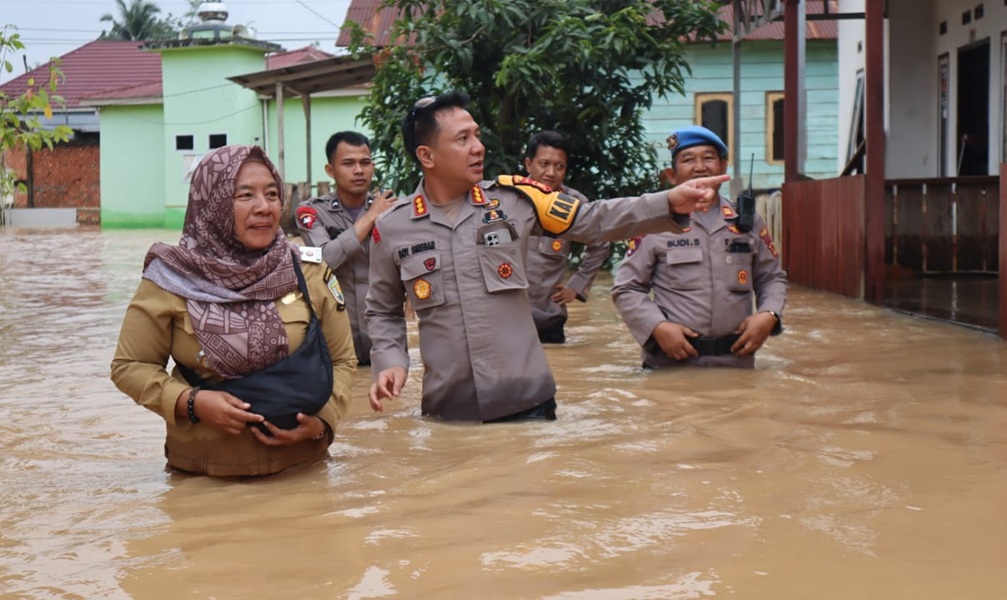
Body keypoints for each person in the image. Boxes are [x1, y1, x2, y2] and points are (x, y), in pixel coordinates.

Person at [365, 91, 729, 423]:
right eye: (463, 139)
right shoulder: (393, 228)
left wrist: (668, 201)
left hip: (529, 405)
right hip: (449, 412)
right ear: (426, 156)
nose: (478, 147)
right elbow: (382, 310)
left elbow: (593, 220)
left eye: (476, 135)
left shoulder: (517, 201)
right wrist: (390, 362)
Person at [111, 145, 357, 477]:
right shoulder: (170, 279)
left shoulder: (308, 271)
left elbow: (343, 360)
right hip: (204, 479)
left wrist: (322, 422)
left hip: (302, 474)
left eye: (272, 194)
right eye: (245, 196)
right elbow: (130, 366)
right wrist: (191, 403)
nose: (264, 207)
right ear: (212, 203)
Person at [611, 125, 788, 369]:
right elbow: (627, 288)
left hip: (736, 365)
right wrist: (657, 327)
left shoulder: (746, 222)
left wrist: (769, 315)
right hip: (670, 366)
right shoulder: (654, 222)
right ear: (671, 175)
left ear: (723, 167)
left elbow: (772, 278)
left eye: (708, 158)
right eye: (688, 160)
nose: (700, 167)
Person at [295, 131, 396, 366]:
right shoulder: (311, 212)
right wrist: (371, 217)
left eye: (365, 162)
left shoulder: (392, 210)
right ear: (330, 170)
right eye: (349, 163)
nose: (359, 170)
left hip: (384, 342)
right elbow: (325, 260)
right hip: (337, 347)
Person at [522, 131, 610, 344]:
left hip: (548, 319)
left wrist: (577, 285)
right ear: (528, 164)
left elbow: (601, 242)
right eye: (544, 164)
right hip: (505, 321)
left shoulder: (574, 204)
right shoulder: (507, 198)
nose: (551, 172)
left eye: (559, 166)